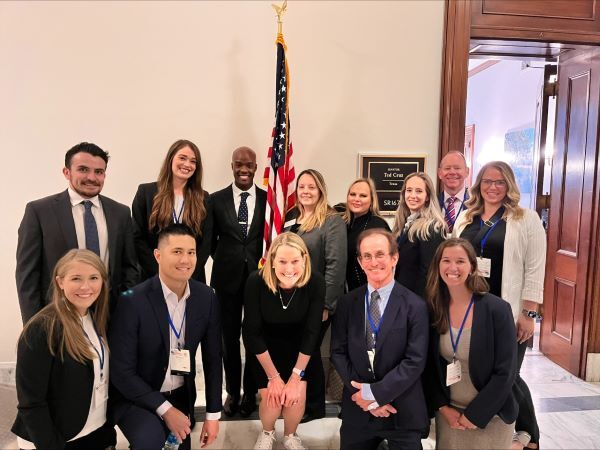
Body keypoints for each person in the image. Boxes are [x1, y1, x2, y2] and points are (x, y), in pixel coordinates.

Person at [453, 161, 545, 449]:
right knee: (487, 372)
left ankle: (529, 433)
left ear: (509, 186)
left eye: (500, 182)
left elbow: (535, 268)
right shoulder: (467, 218)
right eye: (487, 181)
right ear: (478, 184)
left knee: (509, 373)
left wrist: (529, 314)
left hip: (507, 310)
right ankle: (512, 428)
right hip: (470, 309)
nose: (493, 187)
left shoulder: (525, 219)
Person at [108, 224, 222, 450]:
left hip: (180, 395)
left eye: (191, 252)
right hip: (137, 397)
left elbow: (213, 359)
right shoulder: (133, 301)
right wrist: (165, 409)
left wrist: (213, 414)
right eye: (177, 252)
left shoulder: (205, 297)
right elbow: (121, 372)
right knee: (150, 441)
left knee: (178, 445)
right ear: (158, 256)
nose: (186, 260)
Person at [16, 142, 139, 323]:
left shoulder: (120, 213)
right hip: (57, 316)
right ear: (67, 172)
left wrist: (125, 308)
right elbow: (27, 275)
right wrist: (34, 324)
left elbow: (130, 268)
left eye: (99, 172)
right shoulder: (39, 211)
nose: (92, 177)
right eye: (83, 169)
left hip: (110, 316)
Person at [331, 228, 429, 450]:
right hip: (358, 410)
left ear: (394, 257)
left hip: (400, 409)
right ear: (359, 261)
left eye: (380, 254)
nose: (373, 262)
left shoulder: (415, 305)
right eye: (367, 256)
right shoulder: (347, 303)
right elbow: (338, 351)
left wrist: (375, 394)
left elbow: (415, 361)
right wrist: (364, 397)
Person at [12, 249, 116, 450]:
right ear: (60, 282)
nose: (86, 286)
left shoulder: (94, 318)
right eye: (76, 278)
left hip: (90, 431)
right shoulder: (41, 329)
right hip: (53, 440)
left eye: (94, 277)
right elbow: (31, 404)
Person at [425, 238, 518, 449]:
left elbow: (506, 372)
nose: (452, 268)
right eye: (446, 260)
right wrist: (442, 407)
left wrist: (475, 415)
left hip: (491, 414)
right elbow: (429, 367)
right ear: (437, 266)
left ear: (472, 266)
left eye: (460, 261)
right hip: (450, 414)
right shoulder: (433, 309)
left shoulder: (497, 309)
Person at [242, 232, 325, 450]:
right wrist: (274, 377)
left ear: (304, 258)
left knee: (294, 397)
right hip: (265, 348)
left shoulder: (316, 282)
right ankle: (267, 432)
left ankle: (290, 435)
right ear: (272, 261)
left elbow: (312, 331)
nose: (289, 268)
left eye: (295, 261)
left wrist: (296, 377)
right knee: (272, 398)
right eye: (282, 261)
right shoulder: (255, 281)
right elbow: (252, 332)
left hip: (301, 349)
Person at [283, 168, 347, 422]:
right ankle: (299, 401)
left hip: (317, 300)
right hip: (292, 298)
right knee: (298, 351)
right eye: (302, 187)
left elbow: (335, 264)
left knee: (309, 352)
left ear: (320, 190)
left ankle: (314, 407)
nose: (306, 191)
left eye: (311, 187)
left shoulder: (331, 221)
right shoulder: (292, 217)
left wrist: (326, 304)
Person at [210, 146, 266, 418]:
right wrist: (229, 260)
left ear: (256, 167)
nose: (244, 169)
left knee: (254, 337)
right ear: (231, 166)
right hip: (226, 280)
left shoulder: (269, 199)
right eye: (238, 164)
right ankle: (233, 392)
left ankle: (251, 393)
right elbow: (210, 242)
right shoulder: (215, 200)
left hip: (259, 280)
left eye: (249, 165)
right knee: (228, 340)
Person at [132, 139, 212, 283]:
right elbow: (137, 237)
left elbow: (206, 242)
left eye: (193, 161)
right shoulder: (146, 192)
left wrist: (188, 273)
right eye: (182, 158)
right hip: (153, 277)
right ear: (170, 159)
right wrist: (160, 273)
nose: (187, 164)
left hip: (191, 278)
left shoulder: (203, 197)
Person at [392, 172, 447, 298]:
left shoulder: (432, 228)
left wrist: (417, 306)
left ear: (427, 196)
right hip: (400, 295)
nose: (412, 195)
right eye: (409, 190)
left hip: (416, 301)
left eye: (419, 191)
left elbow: (429, 274)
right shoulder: (405, 224)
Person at [340, 178, 390, 292]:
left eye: (363, 196)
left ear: (372, 200)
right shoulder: (343, 223)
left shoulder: (377, 225)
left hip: (371, 291)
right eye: (353, 194)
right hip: (347, 294)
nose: (357, 199)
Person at [437, 151, 470, 232]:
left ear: (467, 172)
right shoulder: (430, 204)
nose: (452, 172)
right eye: (447, 168)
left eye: (457, 168)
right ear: (439, 173)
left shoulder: (477, 205)